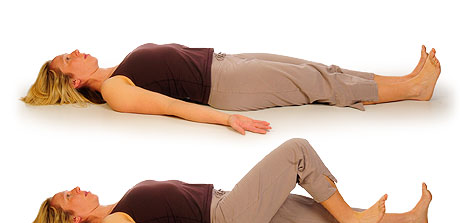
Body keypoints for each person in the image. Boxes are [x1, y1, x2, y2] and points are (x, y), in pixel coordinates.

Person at [22, 138, 432, 223]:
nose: (75, 188)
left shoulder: (114, 209)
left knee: (316, 218)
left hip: (225, 204)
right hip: (224, 221)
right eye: (68, 195)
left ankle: (410, 221)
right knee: (296, 150)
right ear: (73, 216)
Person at [21, 44, 441, 135]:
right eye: (67, 59)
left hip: (224, 64)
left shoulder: (116, 68)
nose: (75, 51)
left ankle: (405, 80)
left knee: (321, 68)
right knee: (315, 84)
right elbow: (171, 106)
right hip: (223, 87)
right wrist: (227, 119)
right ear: (73, 81)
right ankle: (414, 91)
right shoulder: (115, 89)